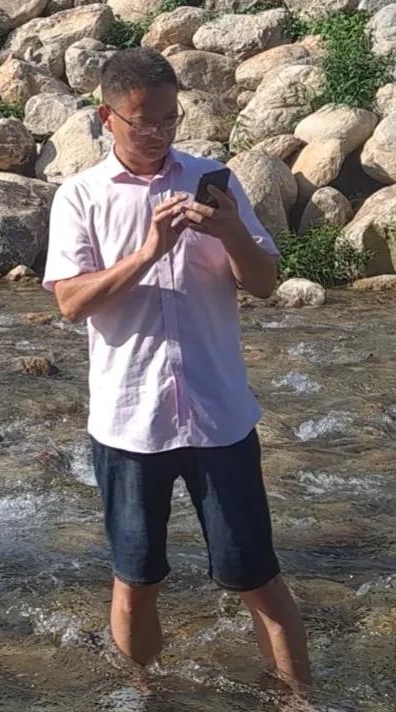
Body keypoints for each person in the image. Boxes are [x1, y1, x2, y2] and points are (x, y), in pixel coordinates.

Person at [42, 47, 312, 692]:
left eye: (171, 118)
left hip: (219, 415)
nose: (160, 133)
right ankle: (144, 698)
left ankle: (301, 701)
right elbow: (71, 304)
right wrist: (147, 252)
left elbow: (267, 284)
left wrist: (231, 234)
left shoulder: (212, 178)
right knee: (136, 581)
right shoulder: (80, 196)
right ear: (107, 118)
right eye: (144, 122)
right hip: (130, 423)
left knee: (257, 577)